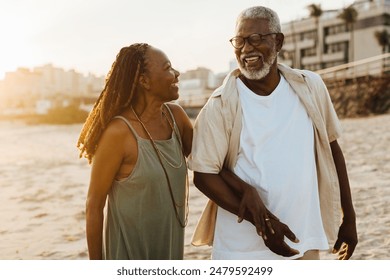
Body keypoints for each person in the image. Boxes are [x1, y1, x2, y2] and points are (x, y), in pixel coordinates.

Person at [189, 6, 357, 260]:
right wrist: (263, 221)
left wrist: (350, 217)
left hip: (305, 237)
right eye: (240, 41)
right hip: (241, 250)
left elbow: (332, 149)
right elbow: (203, 176)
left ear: (278, 41)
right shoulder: (220, 105)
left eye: (256, 39)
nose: (246, 49)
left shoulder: (310, 86)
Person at [77, 43, 193, 260]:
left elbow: (211, 164)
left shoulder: (177, 118)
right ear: (144, 81)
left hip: (170, 252)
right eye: (168, 68)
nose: (176, 74)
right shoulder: (118, 133)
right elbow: (94, 205)